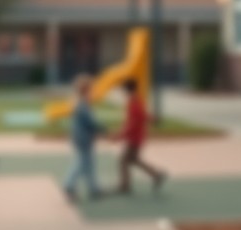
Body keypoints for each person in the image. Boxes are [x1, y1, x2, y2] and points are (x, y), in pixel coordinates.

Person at [113, 79, 166, 195]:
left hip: (134, 138)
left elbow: (134, 123)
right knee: (134, 160)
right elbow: (143, 116)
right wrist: (153, 119)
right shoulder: (137, 100)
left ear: (126, 90)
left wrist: (120, 135)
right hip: (137, 136)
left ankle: (125, 185)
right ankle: (156, 175)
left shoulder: (133, 102)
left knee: (123, 161)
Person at [63, 74, 104, 202]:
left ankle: (93, 188)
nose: (92, 91)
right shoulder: (81, 104)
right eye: (91, 89)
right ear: (85, 90)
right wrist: (103, 129)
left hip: (82, 136)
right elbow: (90, 122)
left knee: (89, 162)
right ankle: (69, 185)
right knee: (83, 163)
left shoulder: (81, 102)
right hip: (83, 138)